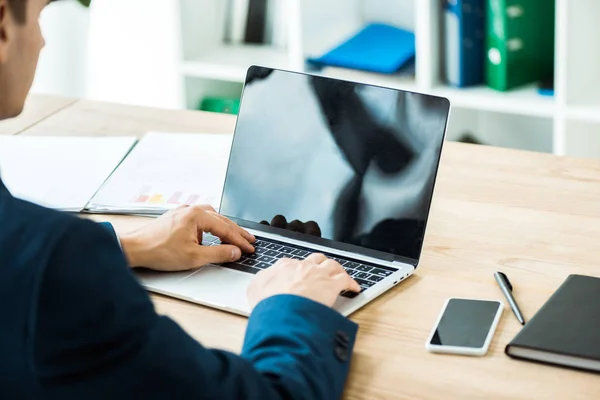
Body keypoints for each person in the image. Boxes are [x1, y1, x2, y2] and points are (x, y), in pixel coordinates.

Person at [0, 0, 361, 398]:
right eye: (39, 16)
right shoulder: (61, 263)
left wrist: (126, 246)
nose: (42, 41)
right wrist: (293, 306)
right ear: (2, 24)